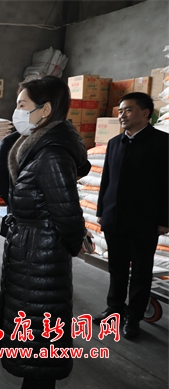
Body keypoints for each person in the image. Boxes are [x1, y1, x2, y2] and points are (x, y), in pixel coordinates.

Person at [0, 76, 91, 389]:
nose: (17, 111)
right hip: (31, 253)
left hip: (42, 258)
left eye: (22, 105)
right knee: (31, 329)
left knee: (39, 330)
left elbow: (67, 212)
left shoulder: (50, 154)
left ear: (45, 110)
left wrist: (72, 243)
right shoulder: (35, 144)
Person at [94, 92, 169, 340]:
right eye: (120, 110)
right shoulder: (115, 143)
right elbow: (106, 181)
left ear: (145, 113)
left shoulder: (162, 143)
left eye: (128, 110)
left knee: (140, 271)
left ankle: (134, 317)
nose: (121, 115)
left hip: (144, 220)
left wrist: (164, 220)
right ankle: (114, 309)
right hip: (114, 217)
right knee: (116, 268)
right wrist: (101, 212)